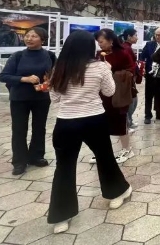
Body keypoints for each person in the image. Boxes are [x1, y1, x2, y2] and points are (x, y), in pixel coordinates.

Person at [47, 30, 131, 234]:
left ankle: (61, 215)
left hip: (66, 122)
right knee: (105, 158)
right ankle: (118, 192)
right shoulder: (100, 67)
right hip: (94, 119)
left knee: (64, 167)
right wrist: (107, 71)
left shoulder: (59, 68)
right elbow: (109, 92)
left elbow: (55, 98)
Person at [0, 27, 56, 176]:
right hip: (19, 98)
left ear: (42, 40)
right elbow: (3, 76)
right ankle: (19, 162)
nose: (29, 39)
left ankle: (36, 156)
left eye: (34, 36)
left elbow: (55, 74)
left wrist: (50, 81)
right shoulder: (17, 56)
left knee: (39, 128)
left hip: (41, 98)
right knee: (19, 130)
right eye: (27, 36)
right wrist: (25, 79)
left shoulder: (50, 55)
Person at [94, 29, 135, 163]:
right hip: (101, 93)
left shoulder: (123, 53)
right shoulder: (99, 54)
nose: (99, 44)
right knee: (101, 123)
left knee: (120, 121)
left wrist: (111, 71)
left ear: (111, 41)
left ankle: (127, 149)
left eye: (101, 41)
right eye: (98, 42)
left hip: (118, 93)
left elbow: (131, 71)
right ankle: (103, 151)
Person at [139, 26, 160, 124]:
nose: (157, 37)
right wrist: (143, 68)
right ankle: (147, 115)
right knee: (148, 96)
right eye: (156, 35)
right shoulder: (149, 44)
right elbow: (142, 56)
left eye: (159, 35)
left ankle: (159, 113)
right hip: (150, 74)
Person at [120, 28, 140, 130]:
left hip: (129, 78)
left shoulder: (127, 47)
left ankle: (129, 121)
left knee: (133, 100)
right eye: (135, 35)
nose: (137, 38)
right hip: (127, 79)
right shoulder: (126, 48)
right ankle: (126, 124)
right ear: (129, 36)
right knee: (131, 101)